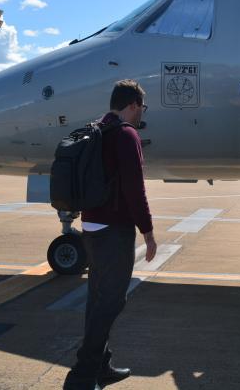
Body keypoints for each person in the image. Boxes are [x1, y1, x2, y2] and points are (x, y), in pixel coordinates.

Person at [64, 79, 157, 390]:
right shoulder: (126, 135)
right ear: (131, 105)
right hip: (113, 230)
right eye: (142, 106)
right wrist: (148, 231)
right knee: (111, 302)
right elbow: (134, 188)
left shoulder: (98, 128)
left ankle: (101, 366)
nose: (142, 112)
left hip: (91, 227)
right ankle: (82, 374)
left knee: (97, 299)